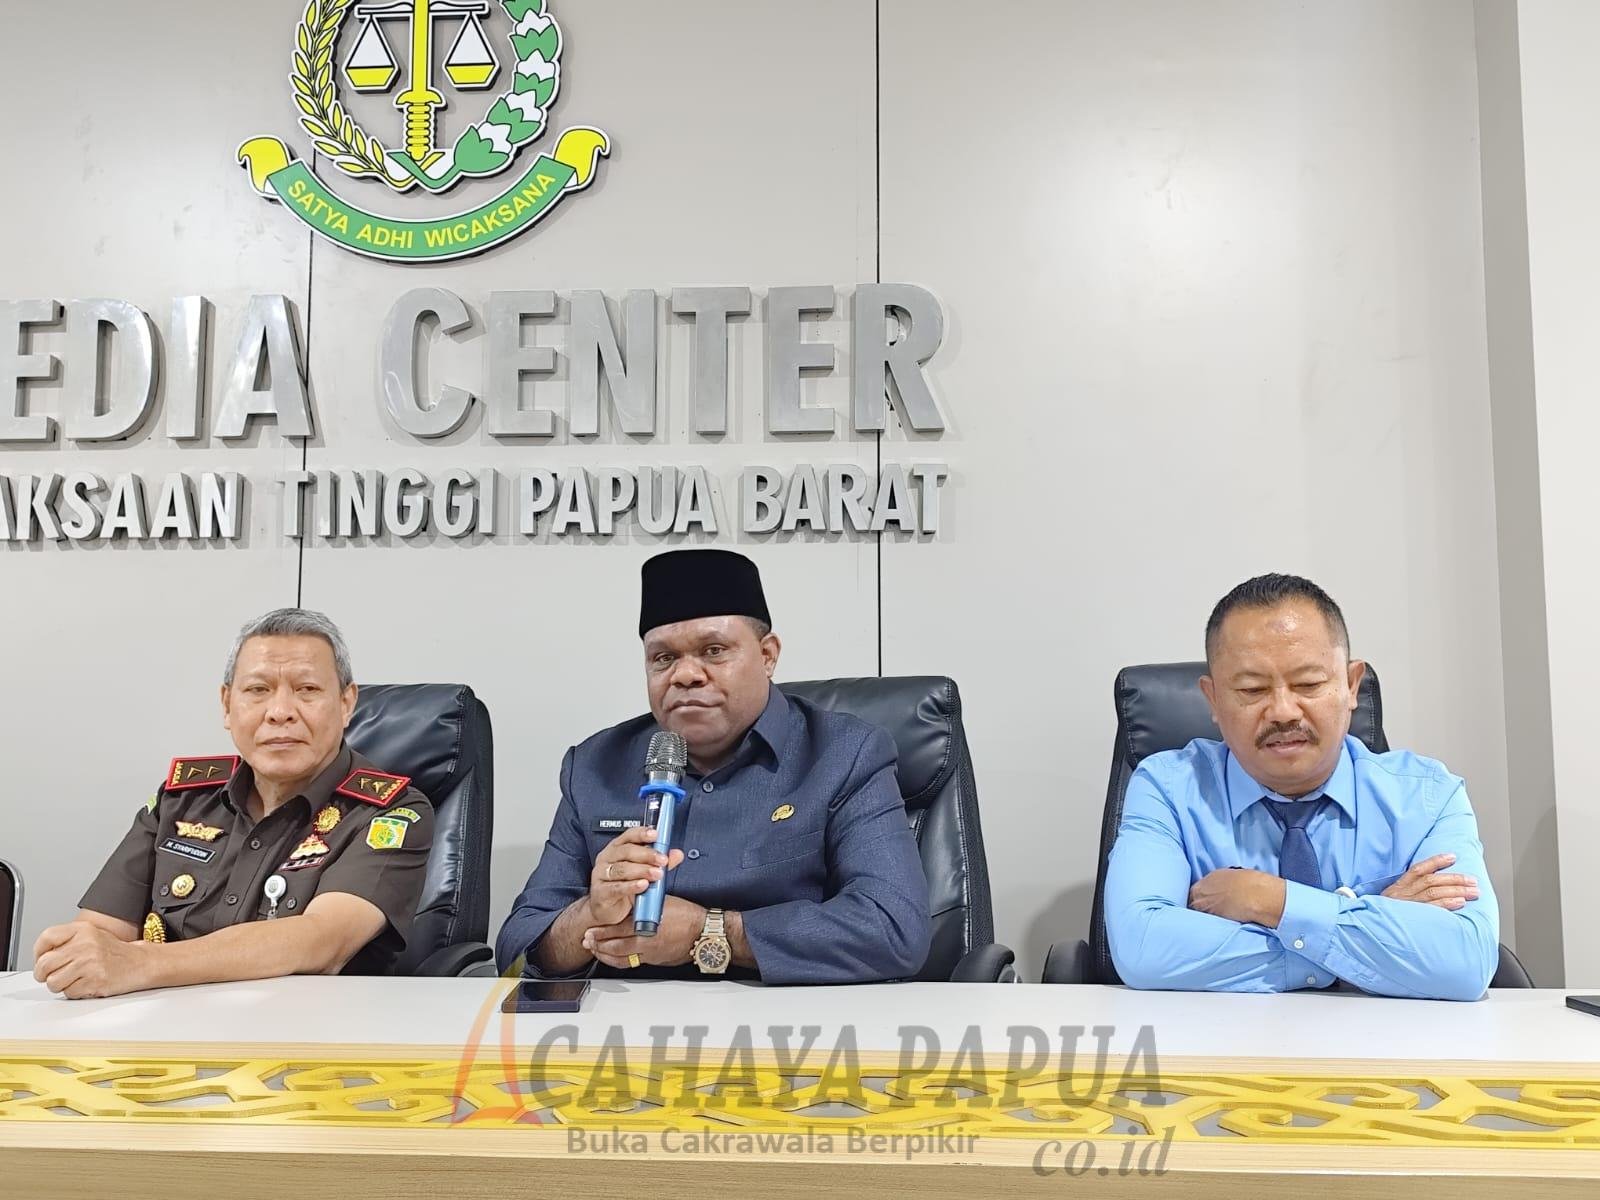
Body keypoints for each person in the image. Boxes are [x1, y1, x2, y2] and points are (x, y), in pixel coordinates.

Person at [497, 548, 931, 984]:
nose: (685, 674)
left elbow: (892, 928)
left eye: (714, 650)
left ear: (767, 655)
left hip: (787, 1018)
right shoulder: (594, 766)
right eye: (663, 658)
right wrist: (590, 914)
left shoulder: (844, 754)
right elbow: (517, 947)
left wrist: (709, 933)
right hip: (629, 1020)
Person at [1103, 574, 1499, 1000]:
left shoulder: (1428, 797)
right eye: (1252, 689)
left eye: (1308, 684)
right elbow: (1143, 948)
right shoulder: (1168, 789)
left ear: (1351, 686)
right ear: (1213, 699)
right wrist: (1368, 934)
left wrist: (1269, 900)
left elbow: (1465, 961)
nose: (1283, 711)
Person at [32, 609, 433, 998]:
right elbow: (101, 932)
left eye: (307, 690)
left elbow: (322, 942)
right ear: (227, 705)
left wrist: (140, 964)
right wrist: (80, 958)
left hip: (309, 1035)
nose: (280, 712)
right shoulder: (181, 801)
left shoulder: (392, 812)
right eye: (258, 690)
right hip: (161, 1031)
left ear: (346, 703)